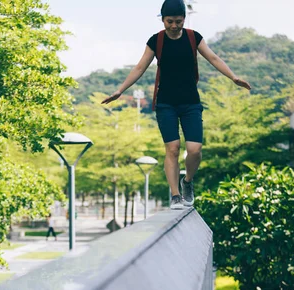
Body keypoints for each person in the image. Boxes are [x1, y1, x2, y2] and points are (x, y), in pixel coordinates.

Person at [102, 0, 251, 210]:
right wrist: (120, 90)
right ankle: (175, 195)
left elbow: (214, 58)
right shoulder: (156, 41)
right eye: (169, 21)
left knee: (195, 150)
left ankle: (187, 182)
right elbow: (139, 68)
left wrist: (233, 78)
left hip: (190, 102)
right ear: (162, 19)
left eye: (178, 21)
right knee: (172, 149)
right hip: (166, 104)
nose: (174, 25)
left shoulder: (193, 37)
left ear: (184, 19)